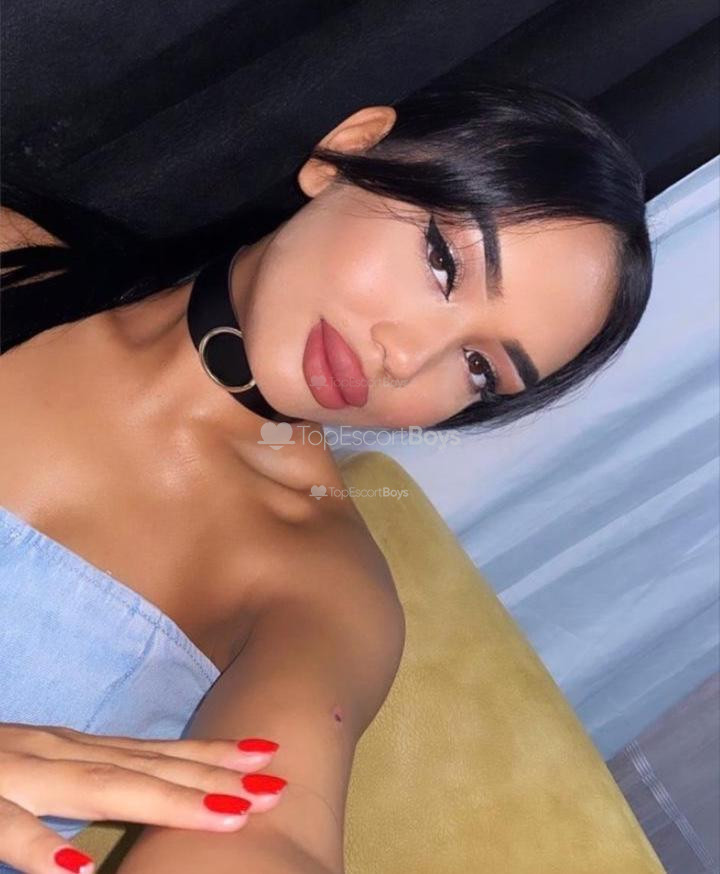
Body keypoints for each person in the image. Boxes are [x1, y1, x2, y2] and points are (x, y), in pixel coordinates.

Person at [0, 81, 652, 874]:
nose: (405, 357)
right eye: (443, 262)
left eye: (479, 368)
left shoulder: (321, 587)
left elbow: (278, 838)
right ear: (348, 151)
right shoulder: (14, 256)